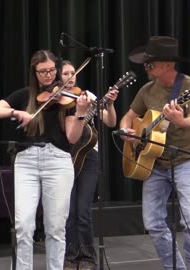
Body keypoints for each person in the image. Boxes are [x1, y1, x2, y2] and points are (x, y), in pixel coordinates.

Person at [0, 50, 92, 270]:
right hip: (26, 162)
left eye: (52, 70)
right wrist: (16, 112)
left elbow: (72, 137)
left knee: (55, 228)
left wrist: (81, 112)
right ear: (34, 73)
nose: (48, 75)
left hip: (58, 162)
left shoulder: (68, 99)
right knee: (24, 225)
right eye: (42, 71)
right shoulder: (26, 95)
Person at [119, 36, 190, 270]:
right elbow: (129, 116)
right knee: (154, 223)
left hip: (185, 159)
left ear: (167, 65)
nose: (145, 68)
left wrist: (180, 120)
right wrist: (126, 129)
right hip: (154, 163)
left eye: (150, 64)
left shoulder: (189, 87)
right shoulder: (146, 90)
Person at [60, 60, 119, 270]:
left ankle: (87, 256)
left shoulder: (88, 96)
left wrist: (109, 104)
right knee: (68, 212)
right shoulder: (56, 100)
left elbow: (110, 122)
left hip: (88, 157)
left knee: (83, 211)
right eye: (65, 73)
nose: (71, 76)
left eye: (73, 72)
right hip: (64, 158)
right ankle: (70, 254)